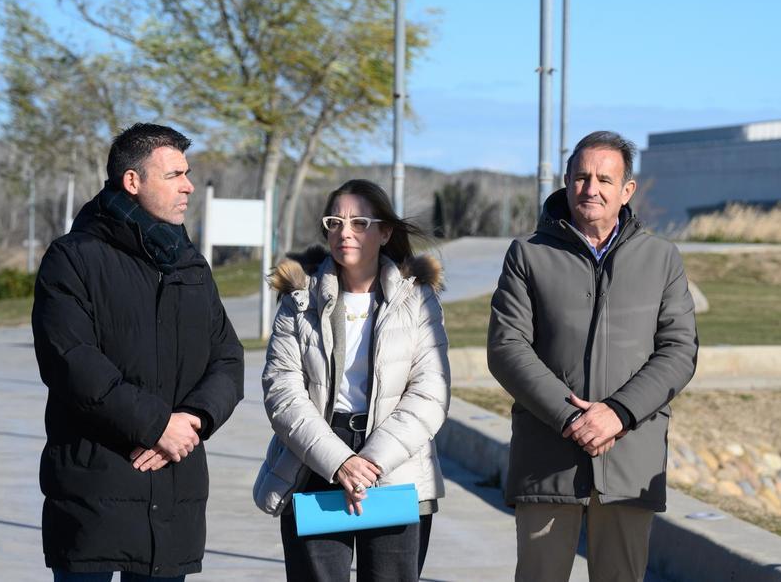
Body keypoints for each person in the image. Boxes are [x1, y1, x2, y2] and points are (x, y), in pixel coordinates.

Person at [32, 123, 246, 581]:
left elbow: (227, 357)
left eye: (187, 173)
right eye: (174, 175)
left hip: (174, 490)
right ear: (133, 182)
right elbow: (71, 362)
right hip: (96, 489)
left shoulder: (190, 264)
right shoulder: (72, 258)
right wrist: (155, 425)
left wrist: (191, 422)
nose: (189, 185)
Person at [487, 131, 698, 581]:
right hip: (548, 457)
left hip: (630, 457)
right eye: (581, 177)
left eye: (605, 178)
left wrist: (618, 413)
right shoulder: (528, 255)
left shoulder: (662, 259)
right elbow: (507, 348)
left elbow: (679, 351)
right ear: (566, 182)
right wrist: (572, 418)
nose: (592, 188)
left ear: (627, 190)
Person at [253, 179, 450, 581]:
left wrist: (370, 462)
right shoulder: (299, 299)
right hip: (316, 459)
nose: (345, 232)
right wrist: (340, 461)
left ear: (385, 232)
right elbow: (282, 391)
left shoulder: (418, 299)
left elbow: (431, 392)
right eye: (335, 222)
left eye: (360, 222)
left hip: (396, 463)